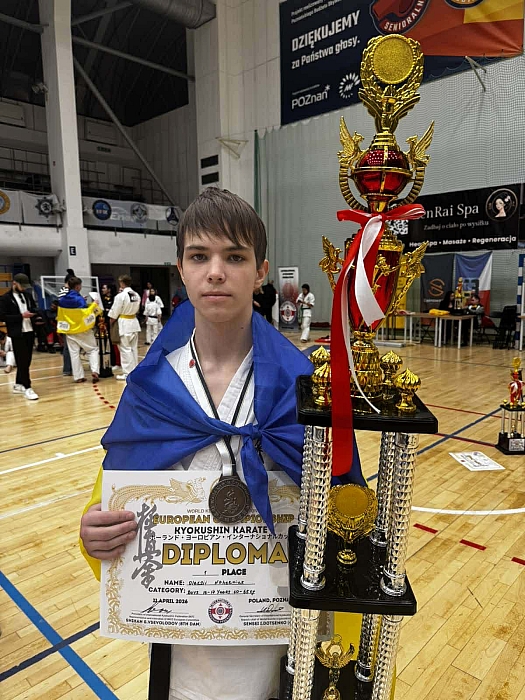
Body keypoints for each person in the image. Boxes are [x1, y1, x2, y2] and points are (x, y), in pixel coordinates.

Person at [79, 188, 364, 700]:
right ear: (181, 269)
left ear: (260, 272)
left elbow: (346, 509)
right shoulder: (151, 389)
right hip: (182, 644)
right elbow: (112, 499)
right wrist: (93, 535)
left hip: (283, 639)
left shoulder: (305, 385)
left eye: (234, 257)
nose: (215, 272)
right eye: (199, 256)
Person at [0, 273, 39, 400]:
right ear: (14, 283)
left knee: (27, 360)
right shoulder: (6, 298)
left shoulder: (27, 295)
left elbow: (33, 308)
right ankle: (28, 387)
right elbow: (2, 316)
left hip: (30, 331)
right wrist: (21, 316)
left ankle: (18, 384)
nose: (24, 288)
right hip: (17, 333)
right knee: (22, 360)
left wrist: (35, 314)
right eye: (22, 286)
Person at [57, 276, 100, 383]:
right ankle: (95, 370)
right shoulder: (79, 299)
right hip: (82, 329)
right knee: (92, 349)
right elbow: (85, 314)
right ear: (77, 287)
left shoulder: (62, 300)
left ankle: (78, 376)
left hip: (69, 330)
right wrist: (94, 305)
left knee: (74, 353)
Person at [108, 275, 141, 380]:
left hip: (124, 324)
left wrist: (111, 322)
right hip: (134, 323)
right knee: (133, 349)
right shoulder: (136, 295)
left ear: (122, 283)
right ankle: (135, 371)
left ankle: (127, 373)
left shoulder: (121, 296)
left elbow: (114, 312)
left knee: (125, 349)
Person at [101, 283, 121, 370]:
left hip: (113, 323)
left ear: (109, 289)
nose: (102, 290)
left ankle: (118, 362)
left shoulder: (115, 299)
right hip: (104, 323)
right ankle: (110, 361)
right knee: (106, 344)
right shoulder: (102, 299)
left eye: (104, 288)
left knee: (115, 343)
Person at [59, 269, 75, 376]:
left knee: (70, 346)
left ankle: (71, 367)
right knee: (68, 346)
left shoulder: (68, 291)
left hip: (70, 321)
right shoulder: (65, 291)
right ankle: (67, 369)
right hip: (66, 322)